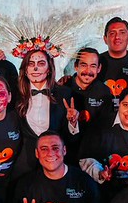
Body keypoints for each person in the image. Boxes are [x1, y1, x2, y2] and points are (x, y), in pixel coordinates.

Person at [12, 47, 79, 178]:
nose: (36, 68)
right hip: (25, 162)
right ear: (25, 70)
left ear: (49, 69)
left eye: (41, 63)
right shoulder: (15, 94)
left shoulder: (64, 93)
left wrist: (73, 123)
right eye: (31, 64)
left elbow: (71, 139)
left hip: (55, 161)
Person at [65, 47, 115, 157]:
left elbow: (106, 127)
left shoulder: (105, 92)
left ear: (99, 68)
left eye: (93, 66)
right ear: (76, 66)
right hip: (66, 152)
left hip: (94, 154)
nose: (88, 71)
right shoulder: (63, 88)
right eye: (84, 65)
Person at [98, 17, 128, 106]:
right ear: (105, 39)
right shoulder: (95, 62)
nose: (117, 37)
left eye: (122, 33)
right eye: (112, 33)